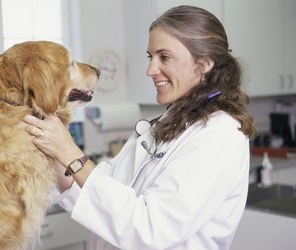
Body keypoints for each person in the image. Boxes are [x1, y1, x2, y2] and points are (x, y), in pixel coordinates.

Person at [23, 5, 256, 250]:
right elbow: (102, 190)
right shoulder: (164, 125)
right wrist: (52, 145)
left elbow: (151, 231)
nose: (150, 70)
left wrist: (70, 153)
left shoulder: (219, 135)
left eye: (164, 57)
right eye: (150, 57)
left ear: (204, 64)